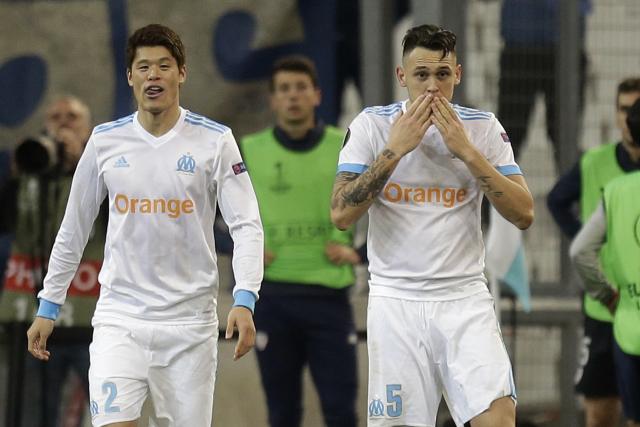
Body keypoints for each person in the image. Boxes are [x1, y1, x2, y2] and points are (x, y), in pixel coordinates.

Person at [25, 24, 264, 427]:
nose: (154, 75)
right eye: (144, 67)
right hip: (121, 320)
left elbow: (247, 225)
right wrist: (49, 304)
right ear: (130, 76)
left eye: (164, 66)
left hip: (189, 326)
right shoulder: (105, 141)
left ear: (181, 73)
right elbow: (74, 228)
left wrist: (245, 298)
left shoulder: (215, 141)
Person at [330, 24, 533, 427]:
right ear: (401, 77)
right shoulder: (372, 126)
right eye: (421, 75)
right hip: (396, 302)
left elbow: (524, 213)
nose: (432, 87)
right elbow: (340, 214)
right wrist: (395, 149)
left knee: (497, 420)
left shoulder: (482, 128)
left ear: (457, 75)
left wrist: (467, 152)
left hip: (464, 298)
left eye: (442, 74)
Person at [240, 55, 362, 427]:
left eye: (300, 88)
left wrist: (360, 253)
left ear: (317, 95)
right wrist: (241, 250)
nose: (293, 96)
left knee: (341, 412)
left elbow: (386, 202)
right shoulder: (249, 149)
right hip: (273, 297)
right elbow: (218, 216)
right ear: (273, 99)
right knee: (282, 414)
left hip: (329, 297)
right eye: (284, 89)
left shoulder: (345, 145)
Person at [0, 95, 104, 427]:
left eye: (72, 117)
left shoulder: (104, 169)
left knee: (109, 413)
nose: (63, 123)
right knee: (31, 415)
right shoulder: (31, 173)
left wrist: (84, 164)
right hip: (33, 321)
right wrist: (16, 177)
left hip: (90, 321)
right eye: (55, 117)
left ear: (87, 128)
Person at [547, 77, 640, 427]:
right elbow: (557, 201)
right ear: (616, 114)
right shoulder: (595, 164)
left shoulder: (620, 189)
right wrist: (589, 239)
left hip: (628, 308)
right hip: (606, 309)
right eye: (625, 109)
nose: (630, 118)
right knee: (600, 411)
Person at [495, 0, 591, 167]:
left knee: (565, 137)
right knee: (508, 136)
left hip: (562, 46)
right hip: (522, 43)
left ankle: (569, 183)